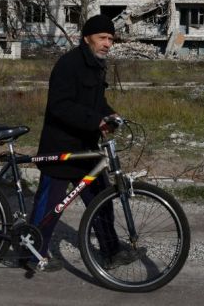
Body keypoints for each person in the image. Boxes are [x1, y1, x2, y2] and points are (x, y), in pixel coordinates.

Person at [28, 14, 134, 272]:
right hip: (61, 148)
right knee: (50, 208)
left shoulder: (97, 66)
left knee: (101, 201)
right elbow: (59, 106)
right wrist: (95, 120)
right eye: (102, 38)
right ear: (87, 38)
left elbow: (95, 104)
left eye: (111, 39)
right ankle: (31, 253)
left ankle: (111, 252)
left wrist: (110, 115)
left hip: (86, 149)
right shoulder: (68, 64)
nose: (108, 43)